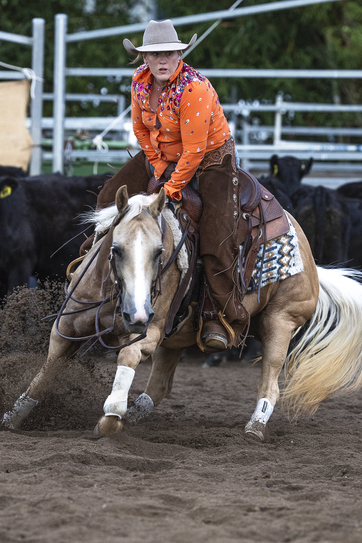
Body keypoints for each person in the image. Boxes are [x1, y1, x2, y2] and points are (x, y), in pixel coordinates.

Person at [84, 19, 247, 351]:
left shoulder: (194, 89)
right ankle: (93, 274)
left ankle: (219, 313)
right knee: (108, 197)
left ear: (179, 55)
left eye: (169, 53)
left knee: (218, 232)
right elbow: (140, 130)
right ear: (144, 58)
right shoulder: (139, 82)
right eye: (154, 54)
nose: (162, 60)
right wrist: (158, 166)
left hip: (211, 160)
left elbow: (195, 151)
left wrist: (169, 189)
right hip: (162, 155)